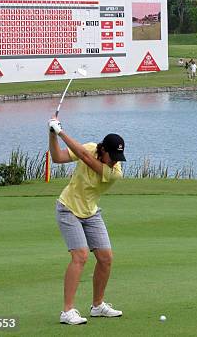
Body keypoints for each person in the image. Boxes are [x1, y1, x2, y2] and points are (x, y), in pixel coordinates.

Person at [48, 117, 126, 325]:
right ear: (103, 150)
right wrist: (52, 135)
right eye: (114, 156)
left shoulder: (114, 173)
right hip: (68, 209)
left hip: (91, 213)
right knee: (80, 256)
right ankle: (67, 311)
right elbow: (57, 157)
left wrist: (62, 131)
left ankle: (98, 306)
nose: (116, 161)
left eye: (119, 157)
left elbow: (83, 157)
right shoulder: (91, 147)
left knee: (106, 258)